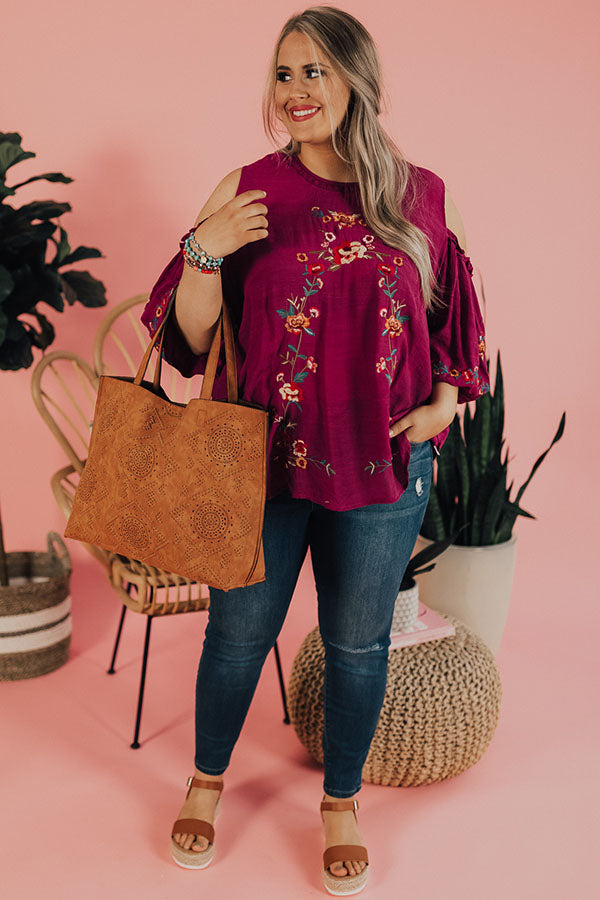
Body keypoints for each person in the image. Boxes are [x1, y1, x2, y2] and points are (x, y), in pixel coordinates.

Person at [140, 6, 490, 895]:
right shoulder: (247, 189)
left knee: (357, 644)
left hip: (384, 462)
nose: (296, 90)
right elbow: (190, 341)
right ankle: (206, 783)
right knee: (236, 636)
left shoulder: (420, 194)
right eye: (284, 72)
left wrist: (444, 403)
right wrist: (204, 253)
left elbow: (451, 308)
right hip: (257, 460)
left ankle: (341, 803)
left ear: (357, 80)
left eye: (316, 71)